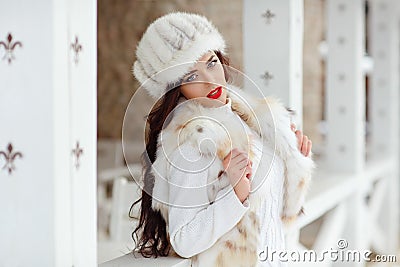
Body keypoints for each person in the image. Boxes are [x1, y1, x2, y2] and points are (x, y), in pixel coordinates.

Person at [130, 12, 314, 266]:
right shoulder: (192, 143)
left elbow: (279, 214)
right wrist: (236, 195)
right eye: (191, 76)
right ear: (175, 89)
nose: (209, 80)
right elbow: (184, 240)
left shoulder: (251, 121)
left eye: (211, 62)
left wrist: (296, 161)